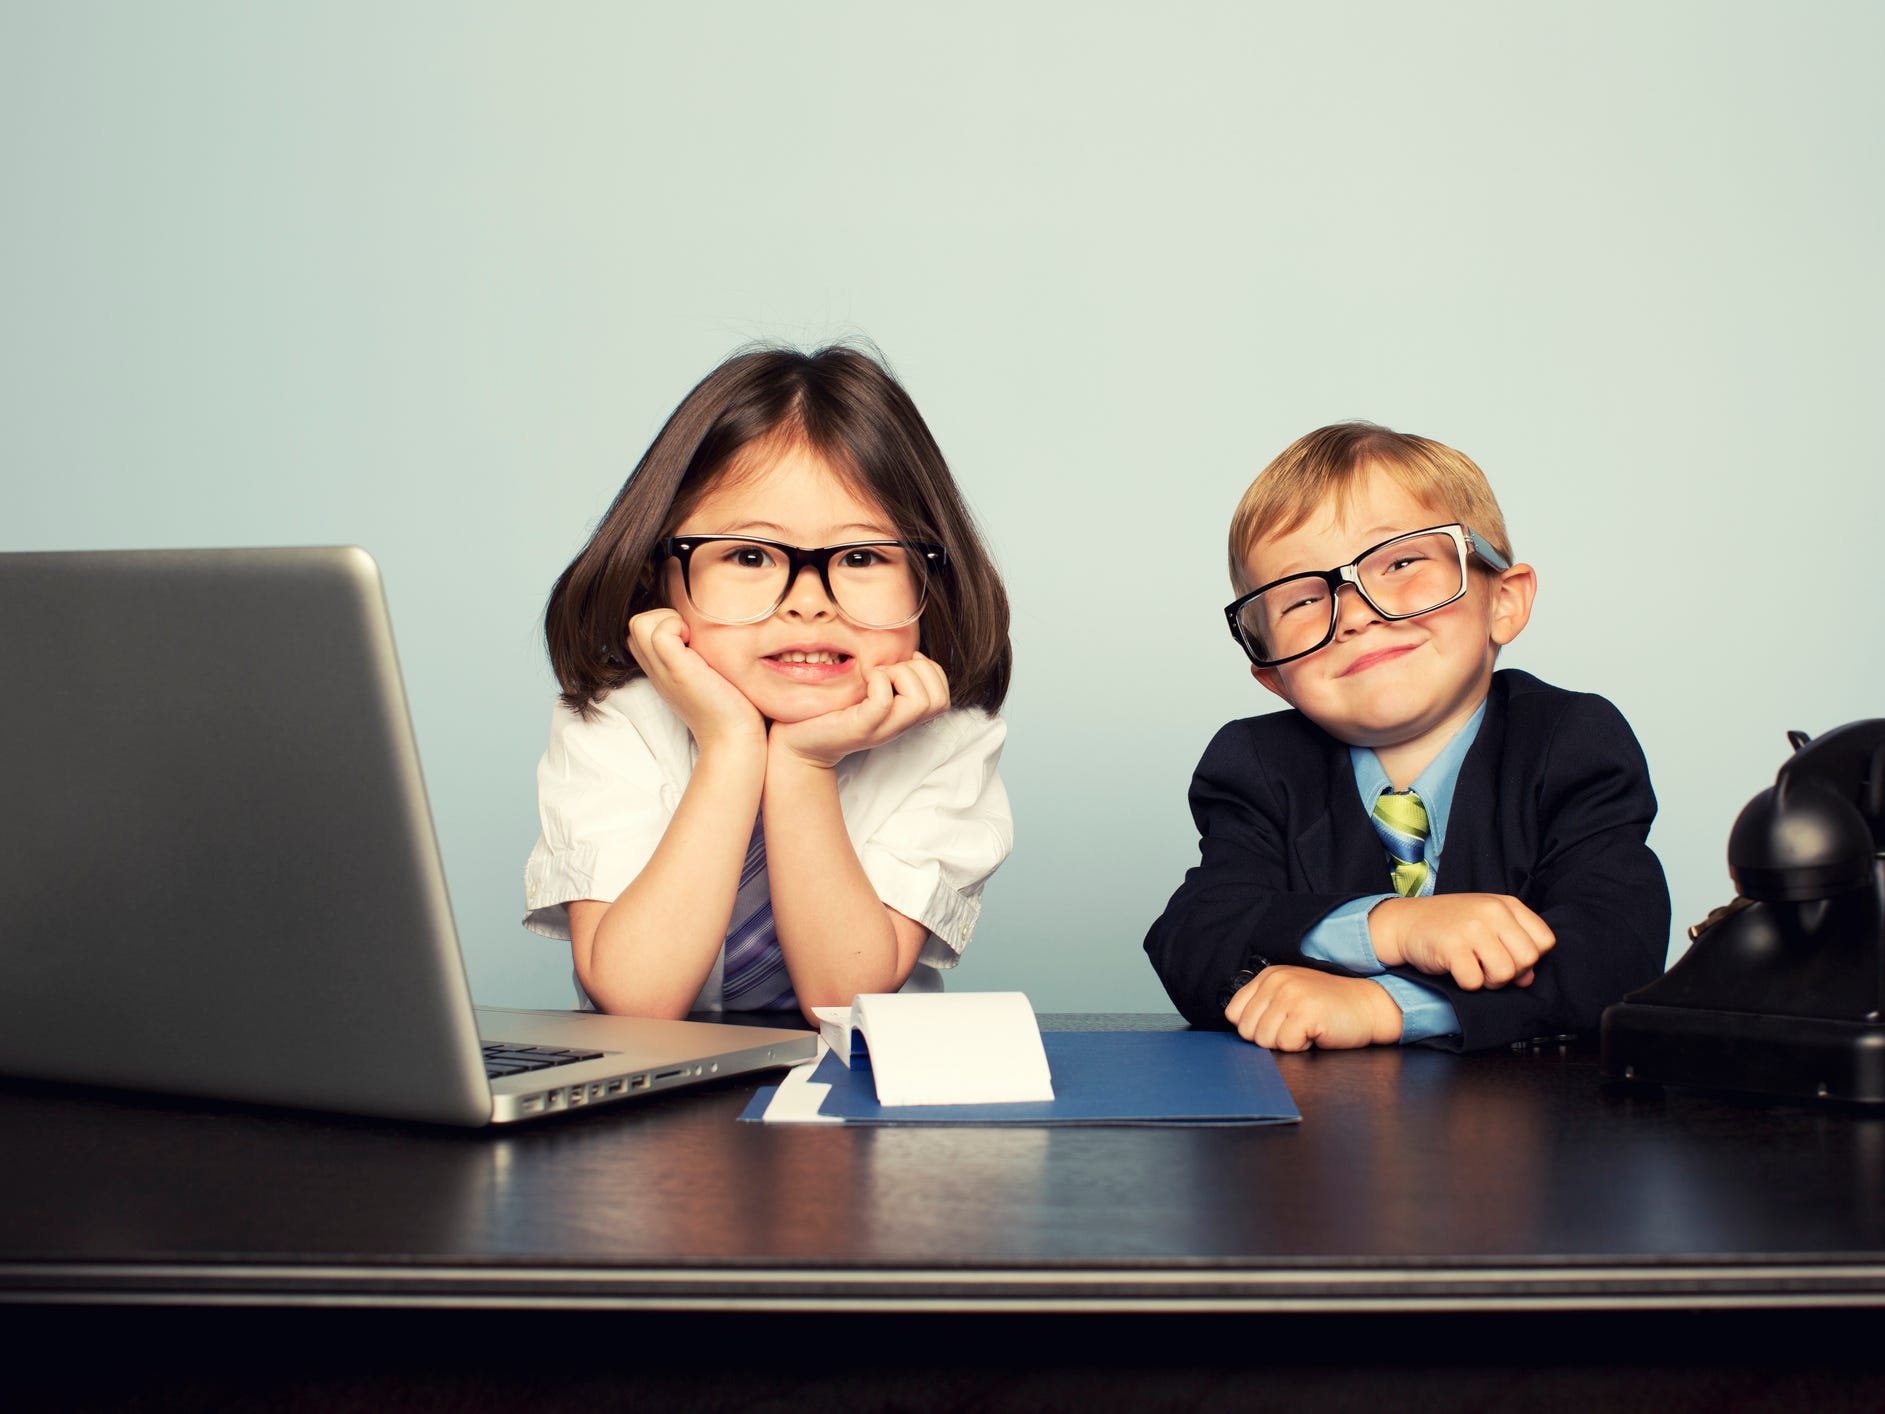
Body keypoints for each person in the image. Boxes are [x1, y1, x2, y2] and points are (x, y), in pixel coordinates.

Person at [524, 345, 1012, 1023]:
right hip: (657, 1107)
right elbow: (637, 996)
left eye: (862, 556)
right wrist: (728, 746)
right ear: (654, 574)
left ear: (930, 582)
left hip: (856, 1096)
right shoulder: (616, 724)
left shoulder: (946, 744)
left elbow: (844, 1002)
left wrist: (802, 764)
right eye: (750, 555)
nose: (808, 601)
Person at [1143, 422, 1668, 1052]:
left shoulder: (1570, 741)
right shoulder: (1258, 766)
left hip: (1531, 1127)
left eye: (1401, 561)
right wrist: (1390, 927)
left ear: (1504, 599)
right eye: (1301, 600)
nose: (1357, 614)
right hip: (1320, 1133)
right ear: (1272, 675)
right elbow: (1194, 938)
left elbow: (1616, 952)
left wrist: (1384, 1005)